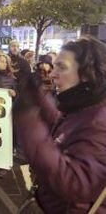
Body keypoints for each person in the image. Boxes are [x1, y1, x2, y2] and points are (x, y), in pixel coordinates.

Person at [15, 36, 106, 213]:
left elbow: (75, 183)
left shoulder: (99, 122)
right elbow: (66, 129)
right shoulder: (84, 106)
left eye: (62, 67)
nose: (52, 73)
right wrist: (38, 98)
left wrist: (29, 122)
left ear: (88, 74)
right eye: (54, 65)